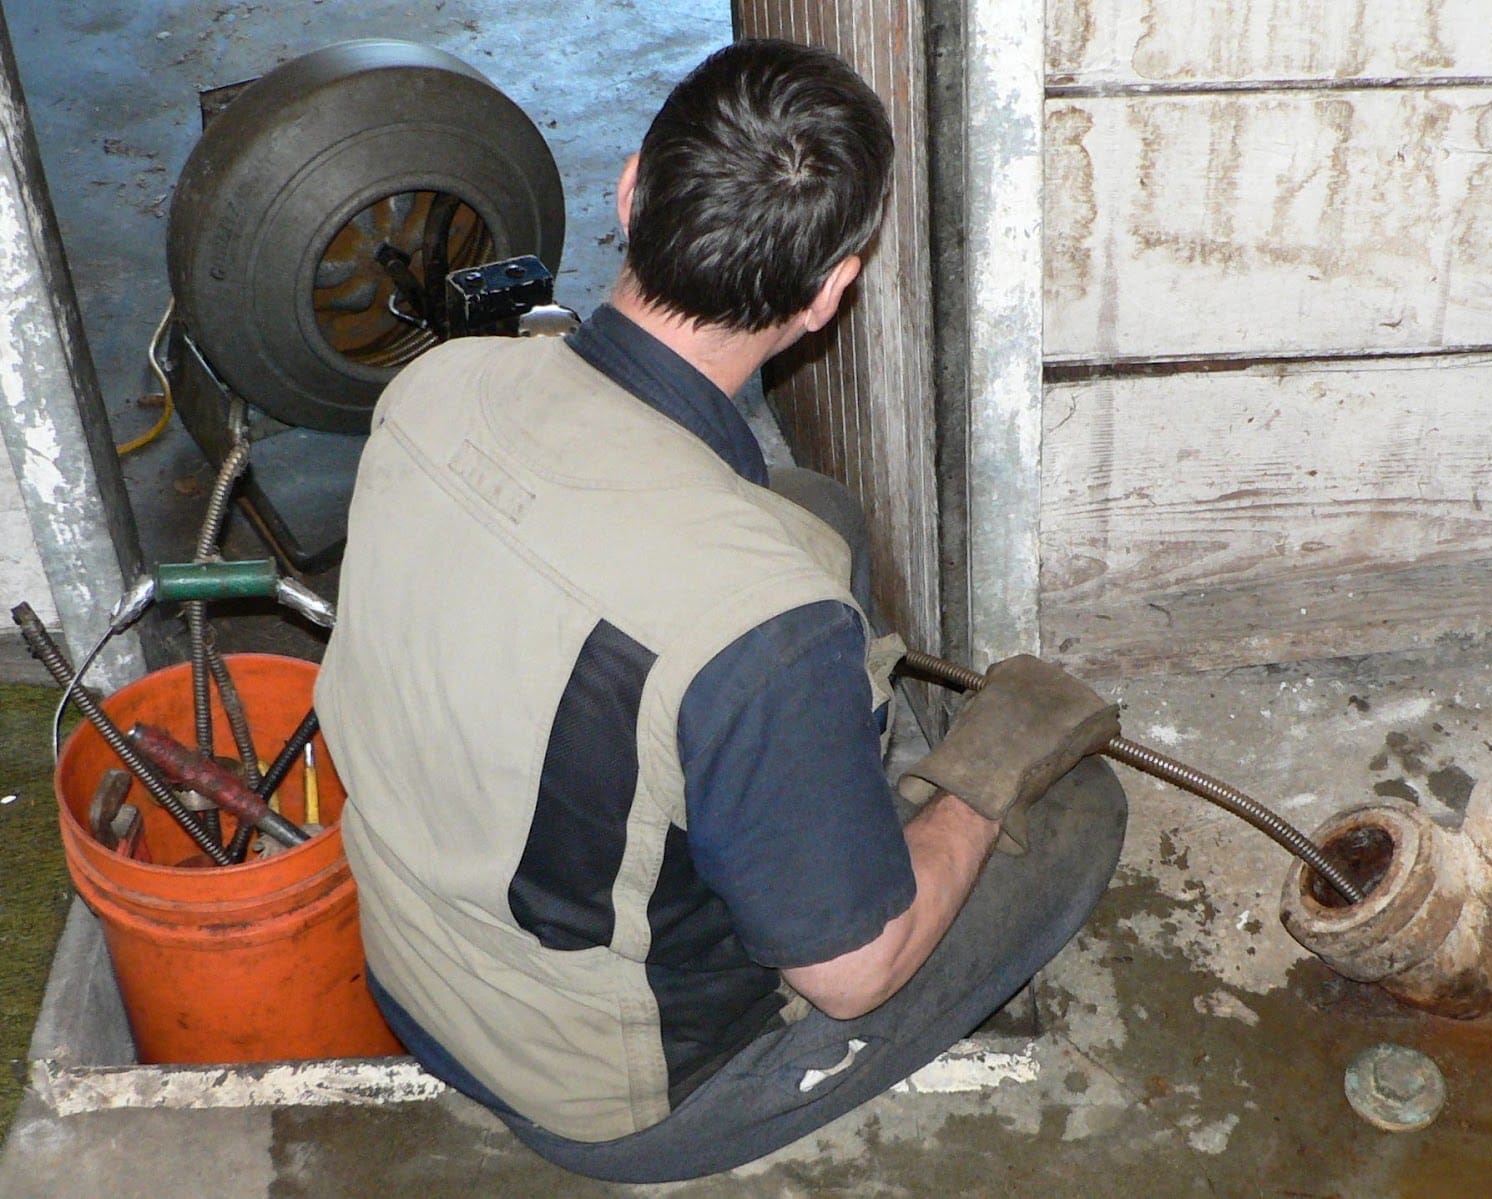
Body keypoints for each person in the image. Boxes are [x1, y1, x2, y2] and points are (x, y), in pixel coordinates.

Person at [315, 38, 1126, 1183]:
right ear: (828, 294)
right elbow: (845, 976)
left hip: (404, 965)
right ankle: (824, 858)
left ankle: (799, 801)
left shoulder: (434, 385)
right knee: (1081, 812)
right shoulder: (764, 625)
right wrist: (975, 794)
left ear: (630, 188)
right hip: (607, 1093)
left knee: (814, 509)